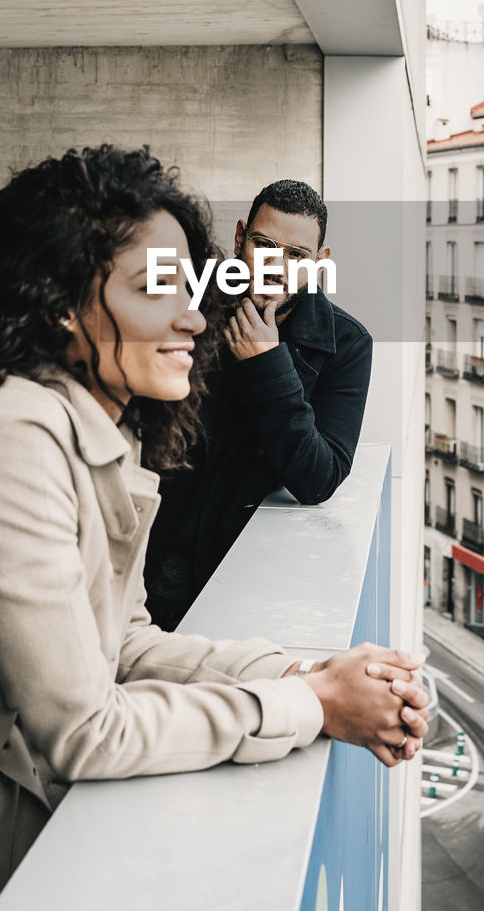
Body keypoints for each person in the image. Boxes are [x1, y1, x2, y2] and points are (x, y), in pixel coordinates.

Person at [0, 147, 425, 911]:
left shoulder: (105, 429)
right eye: (156, 286)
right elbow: (87, 731)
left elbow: (122, 640)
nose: (194, 314)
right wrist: (315, 708)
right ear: (64, 304)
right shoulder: (10, 436)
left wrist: (300, 673)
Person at [145, 179, 373, 629]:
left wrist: (269, 365)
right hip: (146, 549)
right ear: (239, 238)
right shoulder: (192, 302)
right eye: (264, 244)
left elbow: (320, 478)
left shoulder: (346, 343)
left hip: (241, 573)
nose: (276, 265)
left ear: (319, 264)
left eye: (296, 256)